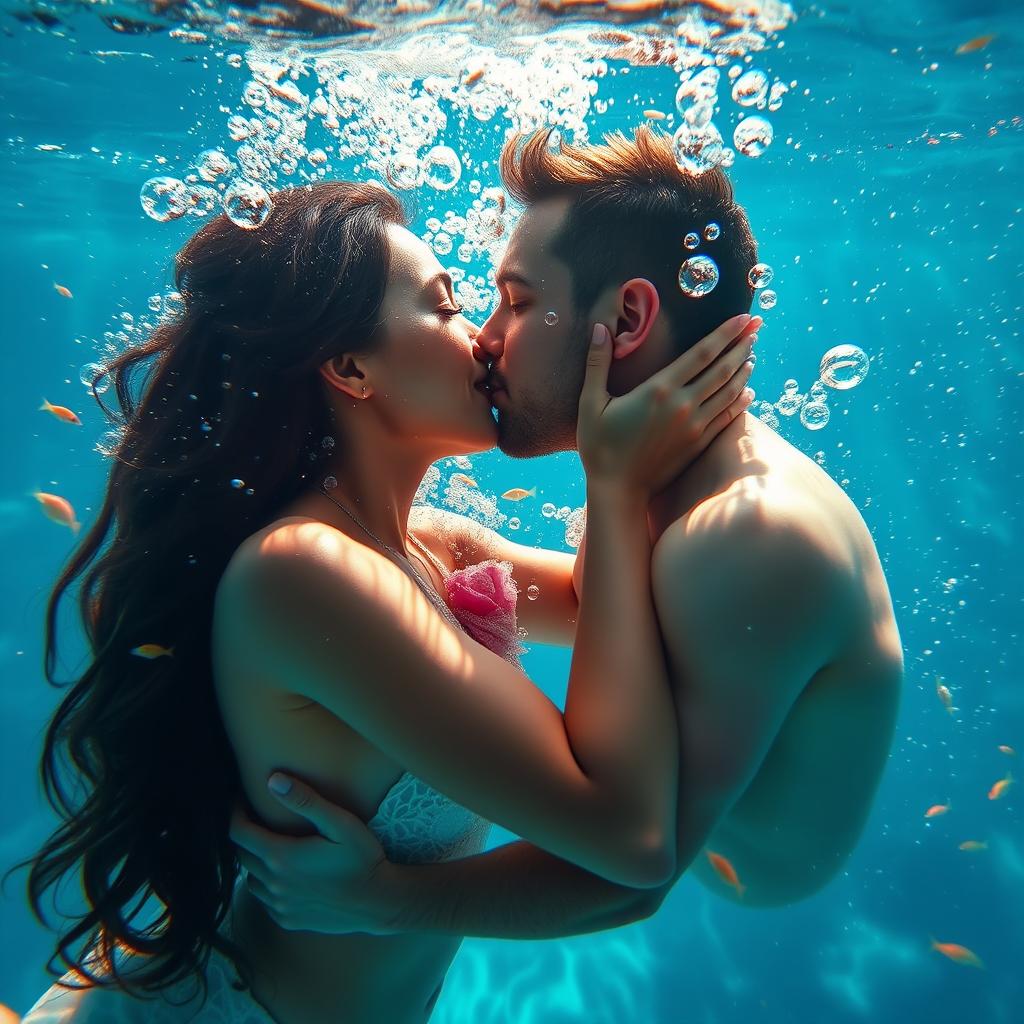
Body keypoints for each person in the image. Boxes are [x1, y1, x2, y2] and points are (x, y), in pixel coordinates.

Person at [17, 169, 757, 1024]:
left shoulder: (433, 544)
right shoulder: (309, 573)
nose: (484, 338)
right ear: (350, 367)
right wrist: (613, 480)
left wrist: (635, 391)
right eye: (445, 306)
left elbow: (614, 604)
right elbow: (630, 838)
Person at [231, 127, 904, 954]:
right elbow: (603, 608)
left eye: (513, 300)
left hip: (732, 876)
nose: (485, 335)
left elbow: (632, 874)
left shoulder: (747, 535)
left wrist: (392, 900)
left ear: (626, 317)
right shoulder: (658, 482)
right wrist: (610, 476)